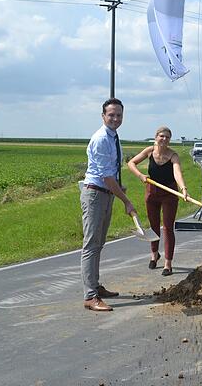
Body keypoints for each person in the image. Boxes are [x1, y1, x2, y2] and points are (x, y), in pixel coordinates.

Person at [80, 98, 136, 312]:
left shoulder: (114, 137)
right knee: (91, 245)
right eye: (111, 115)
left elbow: (112, 173)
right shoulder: (102, 138)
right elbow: (105, 176)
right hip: (95, 194)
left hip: (106, 193)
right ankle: (90, 296)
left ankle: (94, 285)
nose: (115, 118)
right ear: (103, 116)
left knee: (98, 244)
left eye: (119, 115)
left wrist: (118, 189)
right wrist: (126, 200)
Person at [127, 126, 188, 276]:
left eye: (167, 137)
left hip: (169, 194)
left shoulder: (173, 155)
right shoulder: (149, 151)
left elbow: (177, 173)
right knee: (154, 227)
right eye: (162, 136)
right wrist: (141, 176)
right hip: (152, 193)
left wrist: (183, 189)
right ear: (156, 137)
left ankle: (168, 263)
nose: (164, 139)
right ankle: (154, 254)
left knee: (167, 228)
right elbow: (131, 163)